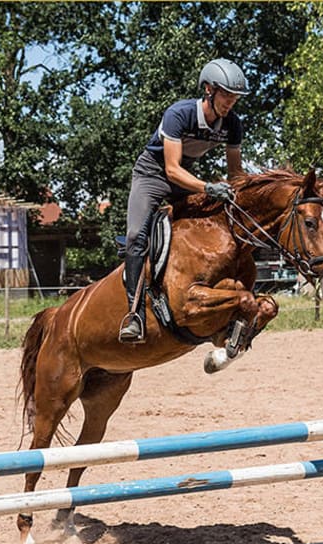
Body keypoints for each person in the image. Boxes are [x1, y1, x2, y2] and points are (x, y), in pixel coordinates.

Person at [118, 58, 250, 344]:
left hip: (185, 176)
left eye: (235, 97)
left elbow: (235, 174)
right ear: (208, 90)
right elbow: (171, 169)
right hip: (153, 174)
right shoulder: (179, 113)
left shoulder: (233, 124)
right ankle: (134, 314)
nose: (231, 103)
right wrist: (207, 187)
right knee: (135, 235)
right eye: (226, 95)